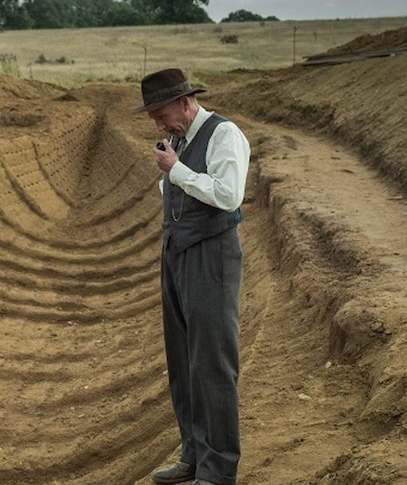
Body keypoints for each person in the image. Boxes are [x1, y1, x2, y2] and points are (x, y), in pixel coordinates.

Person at [133, 68, 250, 485]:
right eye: (154, 119)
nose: (159, 124)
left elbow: (227, 194)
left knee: (213, 364)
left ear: (185, 102)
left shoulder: (224, 135)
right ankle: (194, 456)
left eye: (162, 114)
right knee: (183, 361)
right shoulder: (179, 141)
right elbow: (175, 191)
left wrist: (176, 169)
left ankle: (218, 470)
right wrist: (173, 170)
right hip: (177, 253)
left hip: (211, 255)